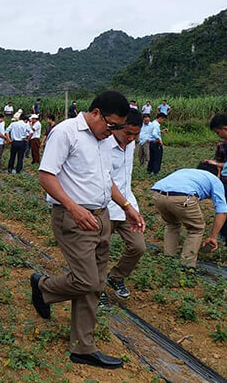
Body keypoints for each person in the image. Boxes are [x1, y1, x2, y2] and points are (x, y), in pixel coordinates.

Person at [33, 91, 144, 370]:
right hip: (74, 218)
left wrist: (127, 206)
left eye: (119, 127)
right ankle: (43, 287)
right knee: (87, 281)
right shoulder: (66, 132)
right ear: (96, 113)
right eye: (112, 125)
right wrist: (73, 207)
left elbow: (108, 179)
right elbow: (46, 176)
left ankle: (83, 348)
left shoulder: (103, 140)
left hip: (102, 215)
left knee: (97, 282)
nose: (115, 133)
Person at [104, 109, 145, 299]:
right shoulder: (103, 145)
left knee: (138, 247)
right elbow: (106, 180)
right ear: (117, 127)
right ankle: (96, 292)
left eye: (136, 134)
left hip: (127, 206)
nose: (131, 138)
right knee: (99, 251)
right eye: (128, 133)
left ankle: (116, 276)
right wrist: (125, 204)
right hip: (106, 207)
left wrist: (129, 206)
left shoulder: (131, 145)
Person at [151, 163, 227, 267]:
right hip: (182, 197)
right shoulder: (214, 179)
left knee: (172, 224)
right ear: (217, 173)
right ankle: (187, 265)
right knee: (196, 229)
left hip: (157, 195)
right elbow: (222, 211)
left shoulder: (186, 171)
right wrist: (213, 237)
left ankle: (168, 257)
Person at [204, 113, 227, 244]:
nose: (218, 135)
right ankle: (224, 236)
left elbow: (218, 163)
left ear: (225, 128)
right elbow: (219, 162)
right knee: (223, 208)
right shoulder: (221, 146)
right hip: (225, 181)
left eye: (218, 132)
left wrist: (216, 164)